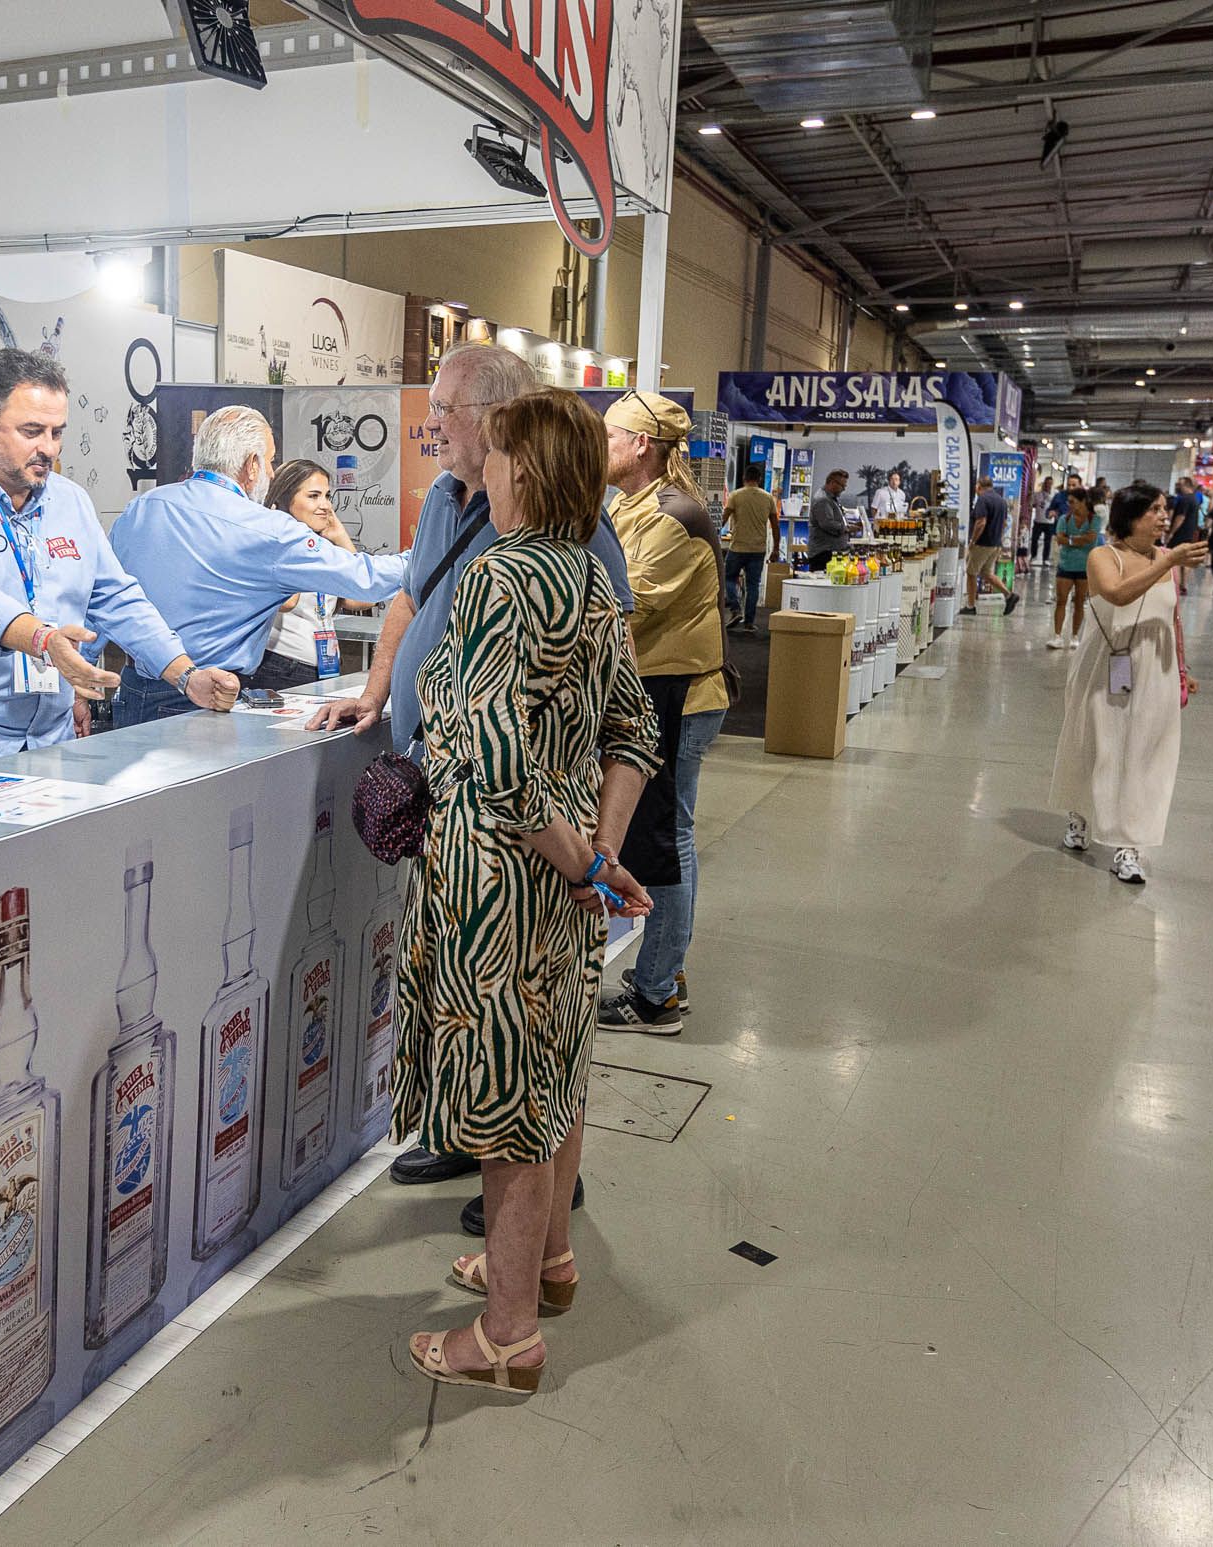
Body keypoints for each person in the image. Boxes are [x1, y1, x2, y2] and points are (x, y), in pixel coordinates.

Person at [305, 342, 632, 1198]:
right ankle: (479, 1149)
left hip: (508, 836)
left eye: (445, 411)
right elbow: (411, 599)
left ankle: (529, 1204)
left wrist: (592, 854)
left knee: (514, 1019)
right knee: (487, 1017)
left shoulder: (567, 538)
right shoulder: (450, 503)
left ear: (496, 424)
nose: (434, 428)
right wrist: (379, 692)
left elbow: (583, 710)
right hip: (462, 812)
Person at [398, 387, 660, 1398]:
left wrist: (578, 858)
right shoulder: (590, 580)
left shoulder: (501, 579)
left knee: (506, 1104)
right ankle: (545, 1262)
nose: (484, 472)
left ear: (524, 468)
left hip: (499, 881)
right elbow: (633, 730)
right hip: (559, 885)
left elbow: (495, 762)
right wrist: (598, 849)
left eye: (497, 456)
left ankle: (503, 1336)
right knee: (553, 1073)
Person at [0, 347, 239, 770]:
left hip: (50, 737)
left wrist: (187, 676)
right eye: (32, 431)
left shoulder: (71, 500)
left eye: (57, 432)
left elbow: (117, 599)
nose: (48, 448)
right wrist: (44, 641)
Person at [104, 415, 405, 726]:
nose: (272, 472)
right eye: (270, 461)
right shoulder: (265, 529)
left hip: (132, 689)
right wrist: (430, 554)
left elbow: (103, 597)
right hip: (203, 696)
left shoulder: (141, 508)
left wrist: (79, 689)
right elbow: (365, 579)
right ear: (251, 465)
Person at [596, 389, 729, 1036]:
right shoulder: (632, 505)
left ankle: (655, 995)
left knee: (667, 839)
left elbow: (629, 601)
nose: (600, 446)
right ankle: (663, 970)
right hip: (660, 689)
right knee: (661, 835)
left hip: (679, 695)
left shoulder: (674, 515)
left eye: (609, 434)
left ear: (640, 444)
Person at [1049, 482, 1208, 885]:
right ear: (1130, 516)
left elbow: (1172, 619)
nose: (1163, 516)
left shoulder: (1166, 560)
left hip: (1156, 668)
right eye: (1154, 510)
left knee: (1146, 754)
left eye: (1163, 509)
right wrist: (1167, 564)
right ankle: (1080, 814)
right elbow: (1117, 595)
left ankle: (1128, 845)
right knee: (1097, 746)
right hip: (1105, 666)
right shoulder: (1103, 555)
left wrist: (1184, 667)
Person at [253, 460, 389, 691]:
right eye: (314, 496)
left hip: (325, 667)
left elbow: (364, 596)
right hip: (280, 665)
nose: (325, 505)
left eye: (327, 496)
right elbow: (288, 602)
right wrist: (289, 536)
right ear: (285, 499)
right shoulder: (268, 544)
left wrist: (340, 536)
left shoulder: (322, 548)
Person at [722, 461, 779, 634]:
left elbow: (723, 519)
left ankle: (735, 608)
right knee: (753, 585)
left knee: (728, 578)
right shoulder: (768, 498)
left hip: (738, 547)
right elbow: (775, 525)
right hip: (758, 548)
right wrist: (775, 549)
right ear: (759, 479)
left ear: (744, 478)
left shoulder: (735, 495)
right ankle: (749, 622)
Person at [1048, 486, 1101, 648]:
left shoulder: (1094, 519)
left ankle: (1075, 636)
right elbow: (1060, 539)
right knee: (1061, 601)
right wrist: (1078, 539)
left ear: (1083, 501)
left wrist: (1070, 539)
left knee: (1079, 602)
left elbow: (1091, 539)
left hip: (1085, 567)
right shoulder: (1064, 519)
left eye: (1072, 502)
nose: (1069, 504)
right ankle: (1057, 636)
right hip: (1066, 565)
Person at [964, 475, 1019, 615]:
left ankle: (970, 606)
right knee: (986, 573)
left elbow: (981, 522)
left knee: (971, 573)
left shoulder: (983, 499)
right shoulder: (1001, 501)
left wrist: (973, 541)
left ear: (979, 486)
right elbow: (1005, 523)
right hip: (995, 544)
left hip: (982, 543)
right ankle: (1009, 595)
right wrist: (998, 538)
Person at [807, 468, 851, 571]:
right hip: (823, 554)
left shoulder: (830, 498)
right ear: (832, 483)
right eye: (842, 486)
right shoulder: (822, 499)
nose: (844, 489)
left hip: (829, 552)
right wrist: (846, 528)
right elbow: (827, 524)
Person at [1032, 474, 1062, 567]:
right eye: (1047, 483)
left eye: (1050, 483)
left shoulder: (1055, 494)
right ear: (1044, 484)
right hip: (1038, 520)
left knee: (1047, 541)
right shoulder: (1037, 494)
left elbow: (1058, 507)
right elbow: (1032, 504)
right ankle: (1033, 556)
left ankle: (1045, 559)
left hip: (1049, 522)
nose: (1048, 485)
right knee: (1034, 539)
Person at [1168, 477, 1203, 548]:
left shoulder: (1185, 499)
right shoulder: (1194, 498)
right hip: (1188, 534)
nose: (1177, 487)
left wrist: (1171, 533)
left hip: (1180, 534)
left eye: (1179, 485)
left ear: (1186, 485)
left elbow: (1180, 517)